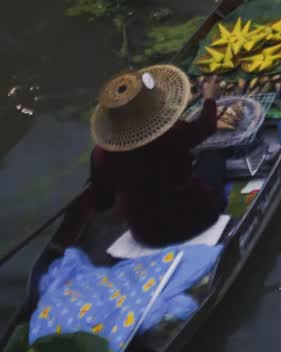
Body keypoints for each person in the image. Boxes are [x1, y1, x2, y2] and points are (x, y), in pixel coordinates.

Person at [89, 67, 226, 246]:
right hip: (199, 216)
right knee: (212, 157)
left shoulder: (101, 155)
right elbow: (207, 126)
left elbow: (102, 203)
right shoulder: (172, 133)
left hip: (148, 234)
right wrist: (209, 98)